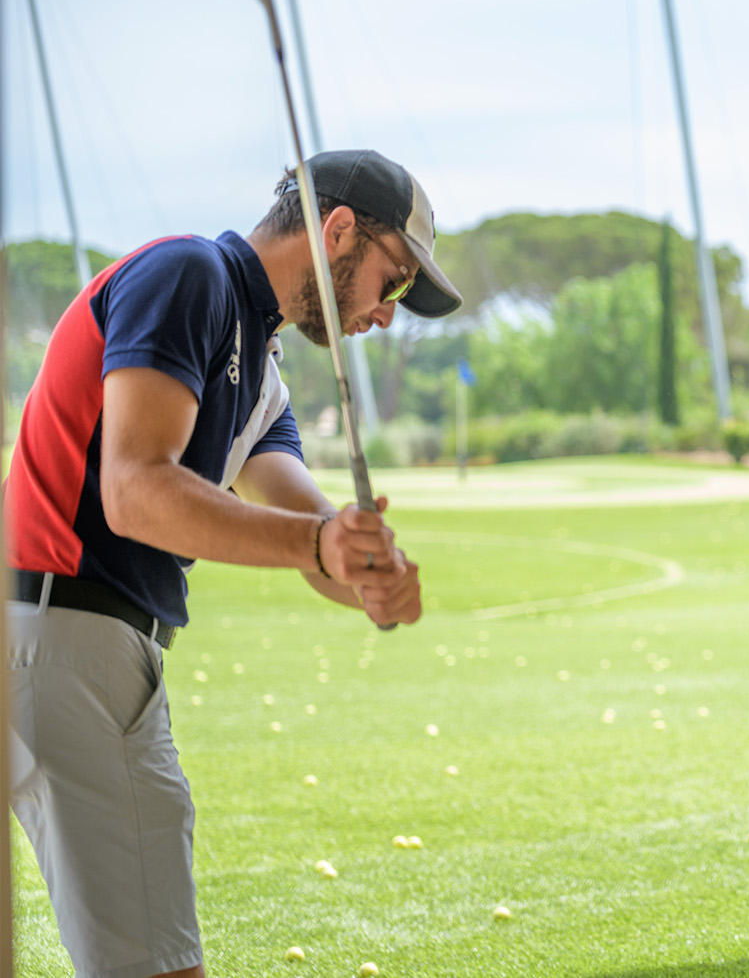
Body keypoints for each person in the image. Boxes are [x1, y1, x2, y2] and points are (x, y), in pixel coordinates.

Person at [5, 149, 463, 978]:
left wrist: (366, 572)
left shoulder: (262, 371)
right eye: (392, 282)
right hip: (67, 640)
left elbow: (306, 523)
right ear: (337, 231)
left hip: (53, 642)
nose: (388, 314)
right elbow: (135, 490)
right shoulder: (193, 275)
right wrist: (320, 544)